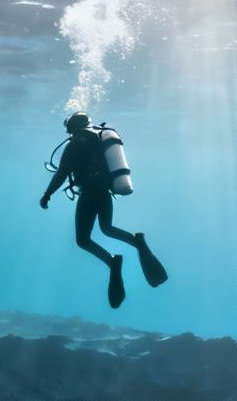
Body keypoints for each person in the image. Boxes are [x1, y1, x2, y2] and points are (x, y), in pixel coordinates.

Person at [40, 111, 166, 309]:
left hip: (89, 193)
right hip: (105, 193)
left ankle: (113, 263)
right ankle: (138, 242)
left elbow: (62, 173)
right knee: (107, 228)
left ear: (72, 127)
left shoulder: (75, 143)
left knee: (83, 240)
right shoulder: (98, 139)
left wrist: (47, 194)